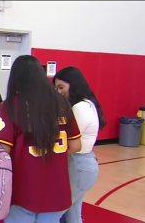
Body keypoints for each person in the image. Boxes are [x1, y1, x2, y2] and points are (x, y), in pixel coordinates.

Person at [0, 55, 82, 223]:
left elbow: (2, 150)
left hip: (24, 188)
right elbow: (76, 145)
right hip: (57, 188)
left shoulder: (13, 104)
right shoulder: (62, 102)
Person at [53, 66, 106, 223]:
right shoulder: (83, 104)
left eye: (61, 87)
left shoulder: (80, 107)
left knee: (55, 210)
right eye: (56, 88)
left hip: (79, 164)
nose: (58, 92)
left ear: (73, 85)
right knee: (72, 213)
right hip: (81, 163)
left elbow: (70, 141)